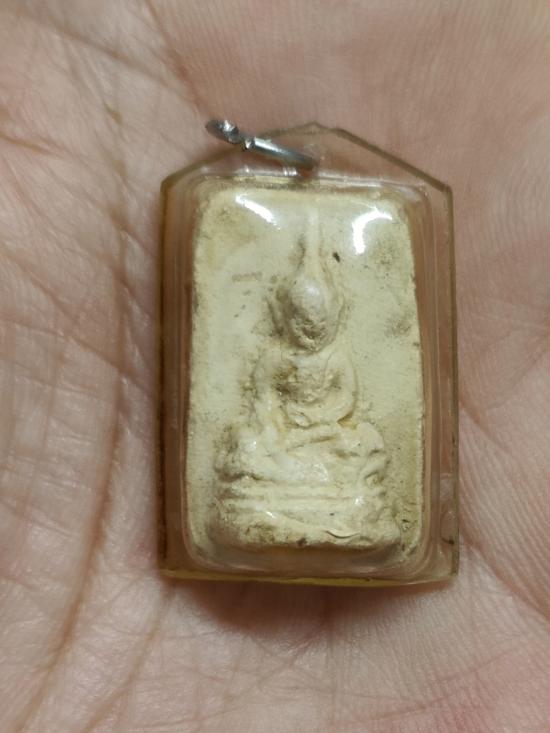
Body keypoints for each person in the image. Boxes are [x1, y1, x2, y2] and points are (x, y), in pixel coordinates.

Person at [1, 2, 548, 731]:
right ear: (288, 317)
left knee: (366, 447)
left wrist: (328, 439)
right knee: (246, 451)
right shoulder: (271, 355)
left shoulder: (343, 358)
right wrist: (270, 439)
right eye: (300, 320)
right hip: (285, 455)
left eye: (320, 321)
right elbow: (263, 413)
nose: (308, 330)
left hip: (329, 454)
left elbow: (345, 417)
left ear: (336, 319)